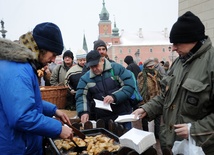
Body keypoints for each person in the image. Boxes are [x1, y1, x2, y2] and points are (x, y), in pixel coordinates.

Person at [133, 11, 214, 155]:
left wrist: (193, 130)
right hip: (172, 145)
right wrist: (146, 109)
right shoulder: (178, 63)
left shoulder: (211, 64)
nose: (174, 48)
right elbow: (166, 95)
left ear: (193, 39)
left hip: (201, 147)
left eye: (177, 43)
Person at [0, 22, 73, 154]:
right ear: (42, 48)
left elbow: (26, 101)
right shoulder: (19, 70)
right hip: (17, 148)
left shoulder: (23, 65)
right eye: (53, 54)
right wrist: (58, 128)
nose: (53, 60)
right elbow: (22, 117)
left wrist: (53, 110)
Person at [76, 50, 135, 130]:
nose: (94, 69)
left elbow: (129, 86)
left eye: (96, 65)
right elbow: (81, 97)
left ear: (102, 60)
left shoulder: (116, 69)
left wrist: (114, 96)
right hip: (102, 119)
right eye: (91, 67)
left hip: (122, 115)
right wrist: (84, 112)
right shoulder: (85, 79)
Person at [137, 58, 162, 138]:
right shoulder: (142, 75)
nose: (152, 68)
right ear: (146, 67)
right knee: (145, 119)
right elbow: (141, 88)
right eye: (150, 66)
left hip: (157, 98)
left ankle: (157, 135)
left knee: (158, 119)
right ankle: (146, 135)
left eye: (153, 66)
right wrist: (145, 100)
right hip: (146, 100)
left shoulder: (156, 74)